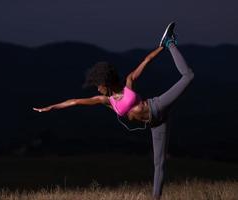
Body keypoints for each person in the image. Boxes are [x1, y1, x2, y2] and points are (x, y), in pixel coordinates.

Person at [33, 22, 194, 200]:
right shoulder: (106, 101)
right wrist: (51, 107)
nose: (97, 89)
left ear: (106, 82)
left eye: (98, 85)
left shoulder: (129, 83)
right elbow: (75, 101)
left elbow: (146, 61)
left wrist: (161, 47)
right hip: (156, 123)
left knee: (189, 76)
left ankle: (169, 43)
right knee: (159, 163)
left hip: (157, 106)